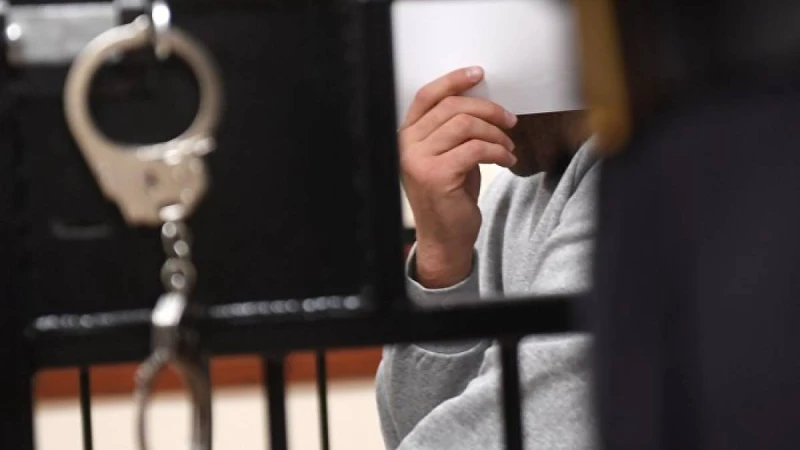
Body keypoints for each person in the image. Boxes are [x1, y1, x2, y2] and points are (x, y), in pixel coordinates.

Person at [375, 64, 599, 450]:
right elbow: (411, 430)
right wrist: (442, 261)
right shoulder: (508, 199)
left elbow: (543, 422)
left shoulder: (646, 172)